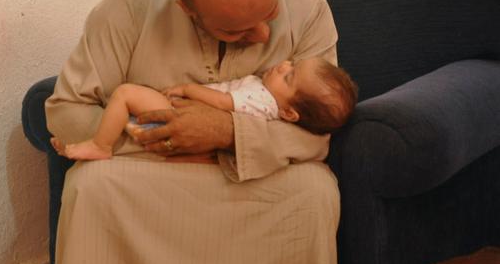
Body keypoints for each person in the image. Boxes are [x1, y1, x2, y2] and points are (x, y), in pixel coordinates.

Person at [39, 0, 342, 264]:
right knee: (91, 186)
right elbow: (66, 111)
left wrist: (226, 133)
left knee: (314, 190)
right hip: (151, 174)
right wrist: (166, 139)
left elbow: (316, 135)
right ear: (188, 11)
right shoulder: (132, 4)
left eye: (271, 12)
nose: (263, 35)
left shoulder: (309, 10)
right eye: (237, 31)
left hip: (252, 175)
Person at [53, 57, 358, 161]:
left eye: (289, 76)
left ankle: (100, 145)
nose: (283, 65)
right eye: (291, 63)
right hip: (188, 123)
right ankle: (127, 130)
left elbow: (223, 103)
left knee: (124, 93)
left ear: (290, 113)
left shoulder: (262, 100)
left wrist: (188, 90)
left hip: (183, 114)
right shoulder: (271, 101)